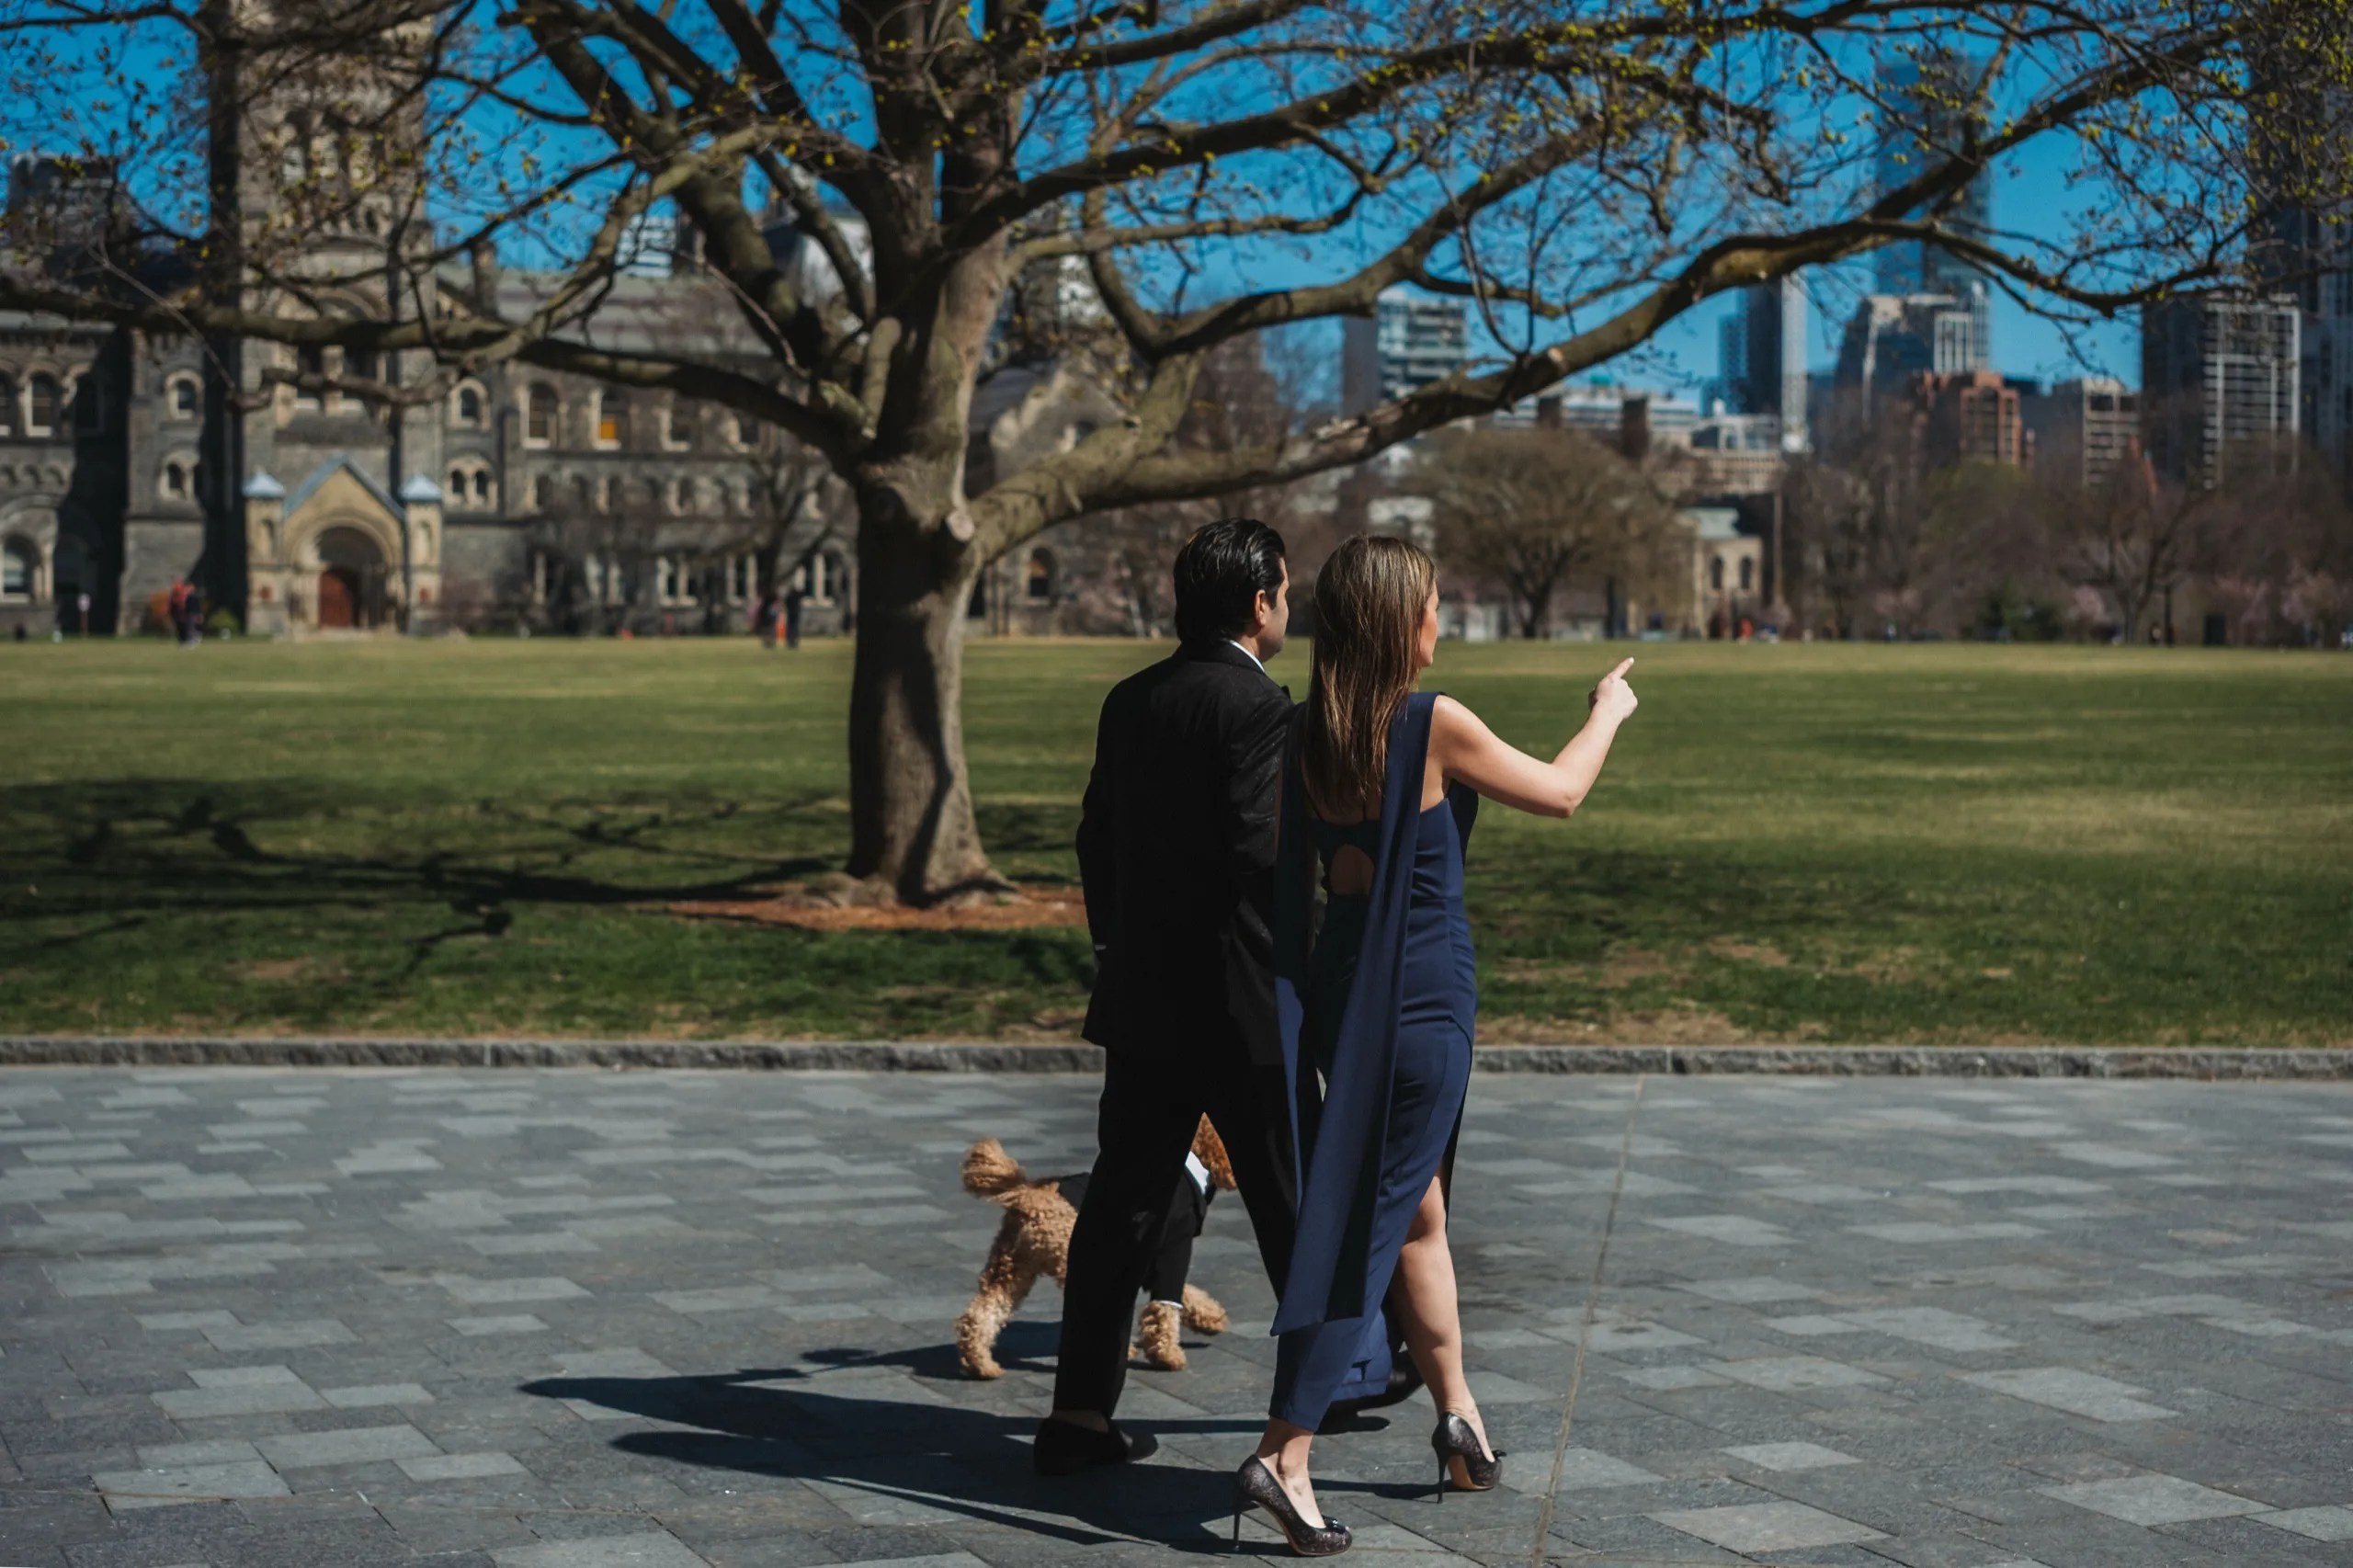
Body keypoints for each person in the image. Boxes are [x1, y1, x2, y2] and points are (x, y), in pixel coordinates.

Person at [1234, 535, 1640, 1556]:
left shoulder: (1305, 731)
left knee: (1416, 1210)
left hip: (1342, 992)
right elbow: (1559, 793)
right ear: (1395, 621)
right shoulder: (1430, 721)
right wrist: (1607, 712)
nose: (1439, 619)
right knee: (1369, 1226)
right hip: (1418, 999)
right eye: (1429, 604)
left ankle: (1458, 1417)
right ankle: (1285, 1453)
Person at [1039, 517, 1306, 1477]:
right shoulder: (1262, 707)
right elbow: (1258, 850)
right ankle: (1325, 1390)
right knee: (1289, 1198)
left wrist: (1114, 938)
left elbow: (1094, 833)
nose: (1289, 601)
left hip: (1145, 989)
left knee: (1123, 1202)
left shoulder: (1131, 697)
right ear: (1257, 601)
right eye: (1283, 586)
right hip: (1240, 991)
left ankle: (1076, 1411)